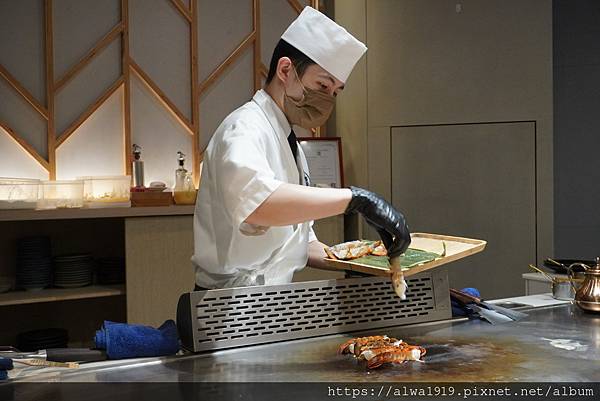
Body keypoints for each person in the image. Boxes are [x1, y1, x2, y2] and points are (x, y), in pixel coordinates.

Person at [192, 7, 410, 289]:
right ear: (285, 70)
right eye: (322, 84)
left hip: (272, 303)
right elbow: (258, 206)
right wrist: (356, 199)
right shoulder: (244, 128)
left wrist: (363, 262)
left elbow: (301, 244)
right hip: (228, 308)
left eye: (334, 92)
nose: (327, 99)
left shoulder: (290, 143)